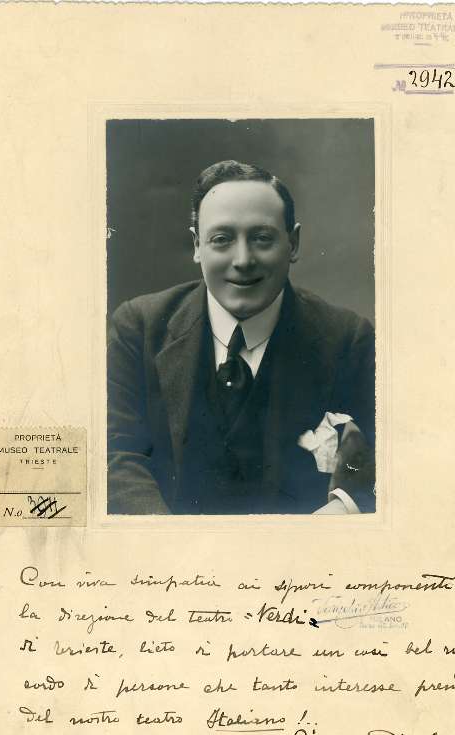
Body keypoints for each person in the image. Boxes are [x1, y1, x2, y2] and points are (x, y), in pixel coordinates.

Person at [107, 160, 375, 515]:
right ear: (197, 245)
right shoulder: (139, 328)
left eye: (262, 238)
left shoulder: (347, 340)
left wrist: (345, 505)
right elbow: (115, 454)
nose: (243, 260)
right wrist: (169, 540)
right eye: (222, 240)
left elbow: (396, 451)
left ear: (293, 243)